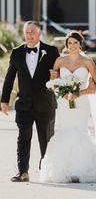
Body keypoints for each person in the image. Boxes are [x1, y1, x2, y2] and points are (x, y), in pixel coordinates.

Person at [0, 21, 60, 182]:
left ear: (39, 33)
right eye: (27, 32)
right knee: (23, 137)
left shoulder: (52, 51)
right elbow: (9, 77)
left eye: (32, 31)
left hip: (45, 103)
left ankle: (46, 170)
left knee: (46, 138)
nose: (29, 35)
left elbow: (59, 74)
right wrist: (4, 100)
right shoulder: (17, 52)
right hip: (24, 104)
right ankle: (23, 172)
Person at [40, 30, 96, 183]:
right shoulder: (60, 61)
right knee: (64, 132)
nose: (73, 45)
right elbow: (53, 83)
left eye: (75, 42)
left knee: (79, 132)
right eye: (70, 43)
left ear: (80, 44)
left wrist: (78, 94)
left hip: (81, 103)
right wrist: (61, 92)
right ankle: (65, 170)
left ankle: (80, 170)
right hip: (63, 103)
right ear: (66, 45)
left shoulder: (88, 62)